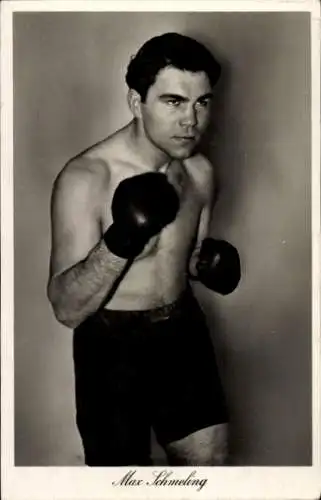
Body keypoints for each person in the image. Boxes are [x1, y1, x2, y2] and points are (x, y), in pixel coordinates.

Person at [47, 32, 241, 466]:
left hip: (181, 333)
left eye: (203, 102)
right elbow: (66, 308)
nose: (191, 120)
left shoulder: (200, 172)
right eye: (173, 102)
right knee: (122, 482)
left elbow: (187, 258)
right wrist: (122, 239)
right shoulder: (86, 178)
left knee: (210, 473)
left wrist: (205, 264)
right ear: (137, 101)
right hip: (111, 347)